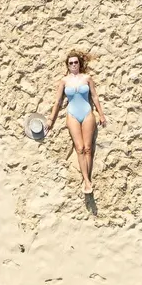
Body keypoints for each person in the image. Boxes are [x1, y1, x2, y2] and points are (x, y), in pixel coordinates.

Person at [47, 50, 106, 196]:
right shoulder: (64, 81)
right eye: (71, 63)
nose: (73, 65)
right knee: (79, 148)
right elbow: (58, 101)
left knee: (87, 148)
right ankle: (86, 180)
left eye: (75, 62)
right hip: (72, 115)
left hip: (87, 113)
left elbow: (95, 96)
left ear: (79, 64)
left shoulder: (87, 78)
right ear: (67, 65)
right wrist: (51, 119)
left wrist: (101, 114)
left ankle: (87, 180)